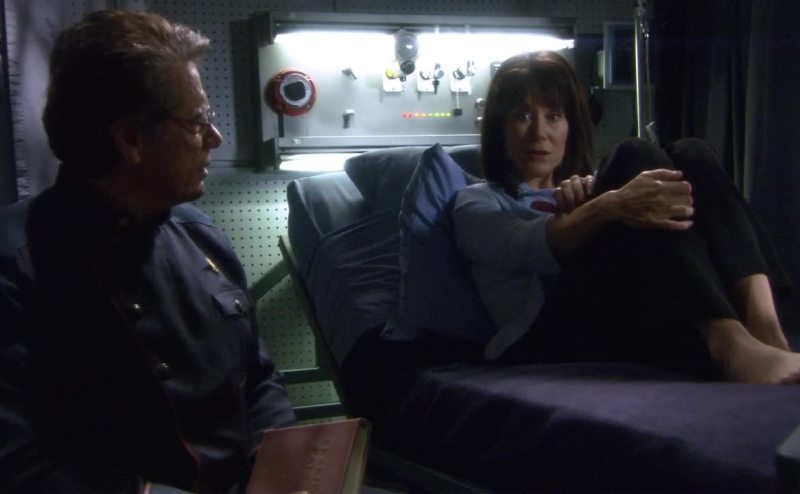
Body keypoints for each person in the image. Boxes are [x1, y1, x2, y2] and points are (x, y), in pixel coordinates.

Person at [0, 10, 296, 493]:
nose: (215, 139)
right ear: (130, 140)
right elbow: (18, 463)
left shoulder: (202, 237)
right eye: (198, 122)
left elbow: (259, 380)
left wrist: (278, 466)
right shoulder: (15, 266)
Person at [452, 50, 800, 384]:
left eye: (554, 115)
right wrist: (606, 207)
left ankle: (766, 330)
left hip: (626, 316)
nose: (539, 133)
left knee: (692, 152)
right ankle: (728, 343)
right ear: (499, 128)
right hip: (543, 339)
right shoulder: (476, 201)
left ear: (571, 126)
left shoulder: (587, 188)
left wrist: (600, 200)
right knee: (634, 153)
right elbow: (528, 248)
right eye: (523, 116)